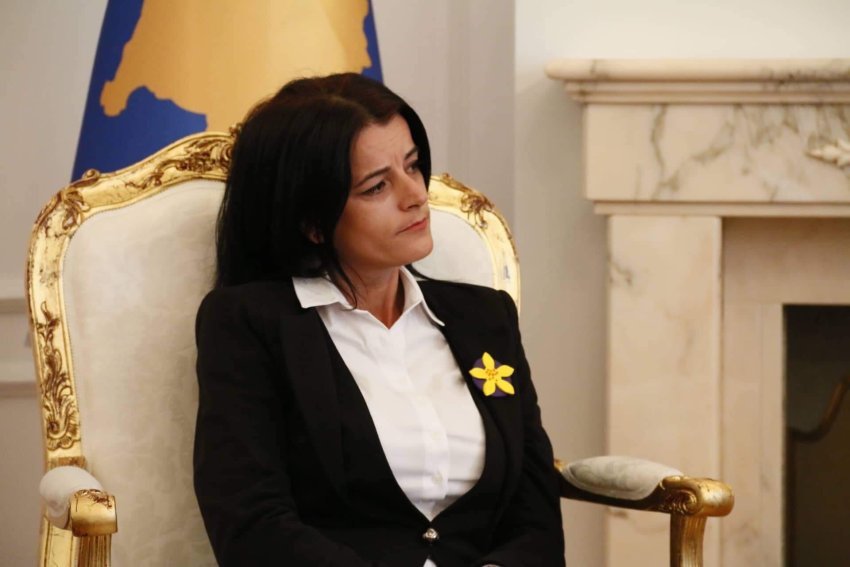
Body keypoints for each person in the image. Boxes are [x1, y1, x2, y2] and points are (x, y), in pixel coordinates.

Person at [193, 73, 565, 566]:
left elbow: (535, 511)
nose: (416, 195)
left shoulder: (485, 316)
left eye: (412, 166)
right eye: (377, 186)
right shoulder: (249, 325)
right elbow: (251, 524)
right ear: (312, 223)